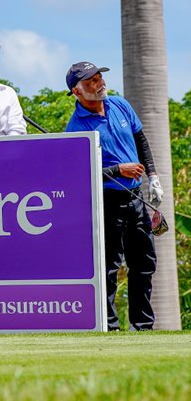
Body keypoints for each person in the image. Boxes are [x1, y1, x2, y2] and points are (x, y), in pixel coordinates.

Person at [64, 61, 163, 331]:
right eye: (91, 81)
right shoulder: (76, 128)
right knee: (109, 267)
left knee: (144, 263)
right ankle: (110, 326)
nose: (99, 83)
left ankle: (143, 326)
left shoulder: (120, 104)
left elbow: (140, 140)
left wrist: (152, 176)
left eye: (99, 78)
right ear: (77, 91)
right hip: (105, 201)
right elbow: (80, 171)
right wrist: (119, 169)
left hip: (135, 198)